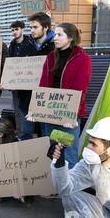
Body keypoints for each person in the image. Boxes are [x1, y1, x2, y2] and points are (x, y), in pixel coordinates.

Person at [32, 22, 91, 169]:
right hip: (50, 113)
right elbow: (42, 85)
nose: (55, 38)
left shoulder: (83, 59)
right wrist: (35, 110)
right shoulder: (51, 57)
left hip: (68, 115)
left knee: (69, 152)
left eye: (59, 35)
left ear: (70, 37)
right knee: (52, 150)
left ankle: (69, 189)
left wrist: (72, 116)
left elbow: (80, 89)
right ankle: (54, 184)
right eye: (55, 34)